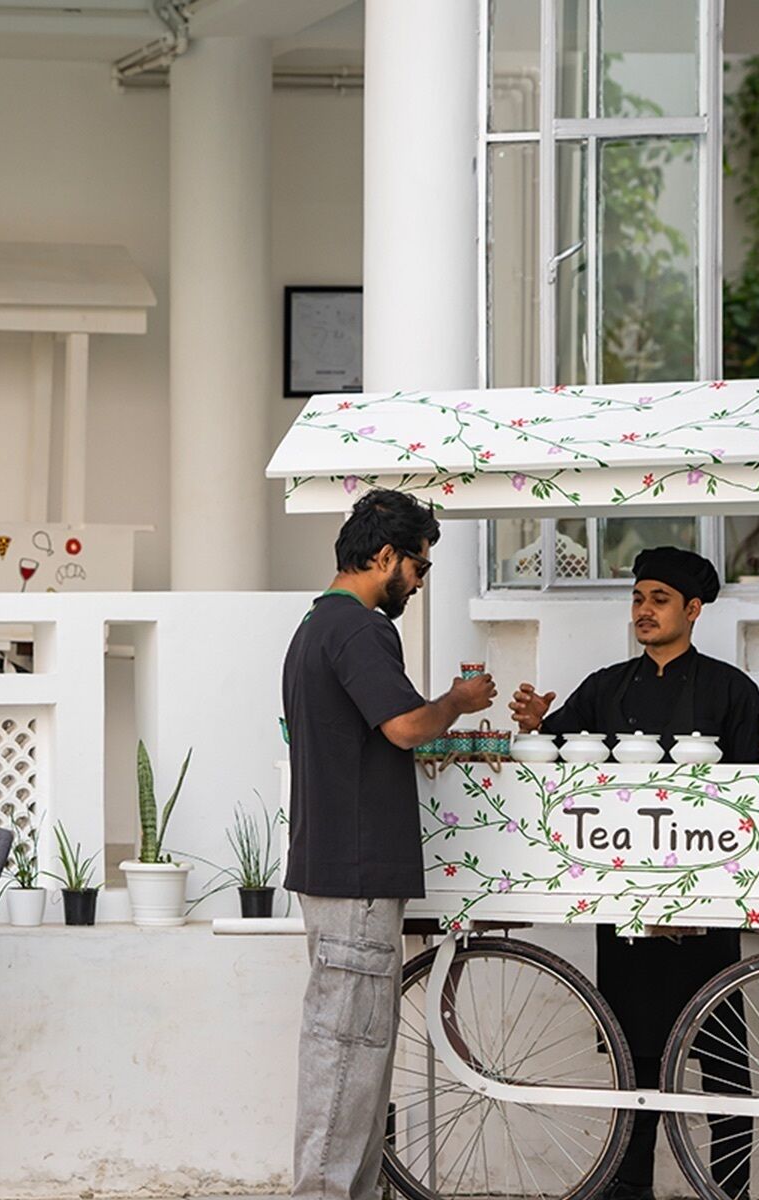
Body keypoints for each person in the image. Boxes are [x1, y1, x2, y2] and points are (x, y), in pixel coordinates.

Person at [509, 546, 759, 1200]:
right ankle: (628, 1188)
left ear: (693, 610)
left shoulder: (733, 690)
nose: (644, 611)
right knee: (635, 1057)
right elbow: (557, 754)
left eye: (659, 600)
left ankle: (731, 1191)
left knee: (724, 1059)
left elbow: (756, 796)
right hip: (624, 900)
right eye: (638, 598)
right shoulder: (605, 688)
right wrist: (535, 723)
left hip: (706, 905)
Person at [283, 489, 497, 1200]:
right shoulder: (360, 629)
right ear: (383, 556)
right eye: (419, 565)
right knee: (347, 1056)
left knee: (355, 1054)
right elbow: (404, 726)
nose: (421, 580)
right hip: (356, 873)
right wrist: (459, 705)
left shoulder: (317, 626)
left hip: (335, 868)